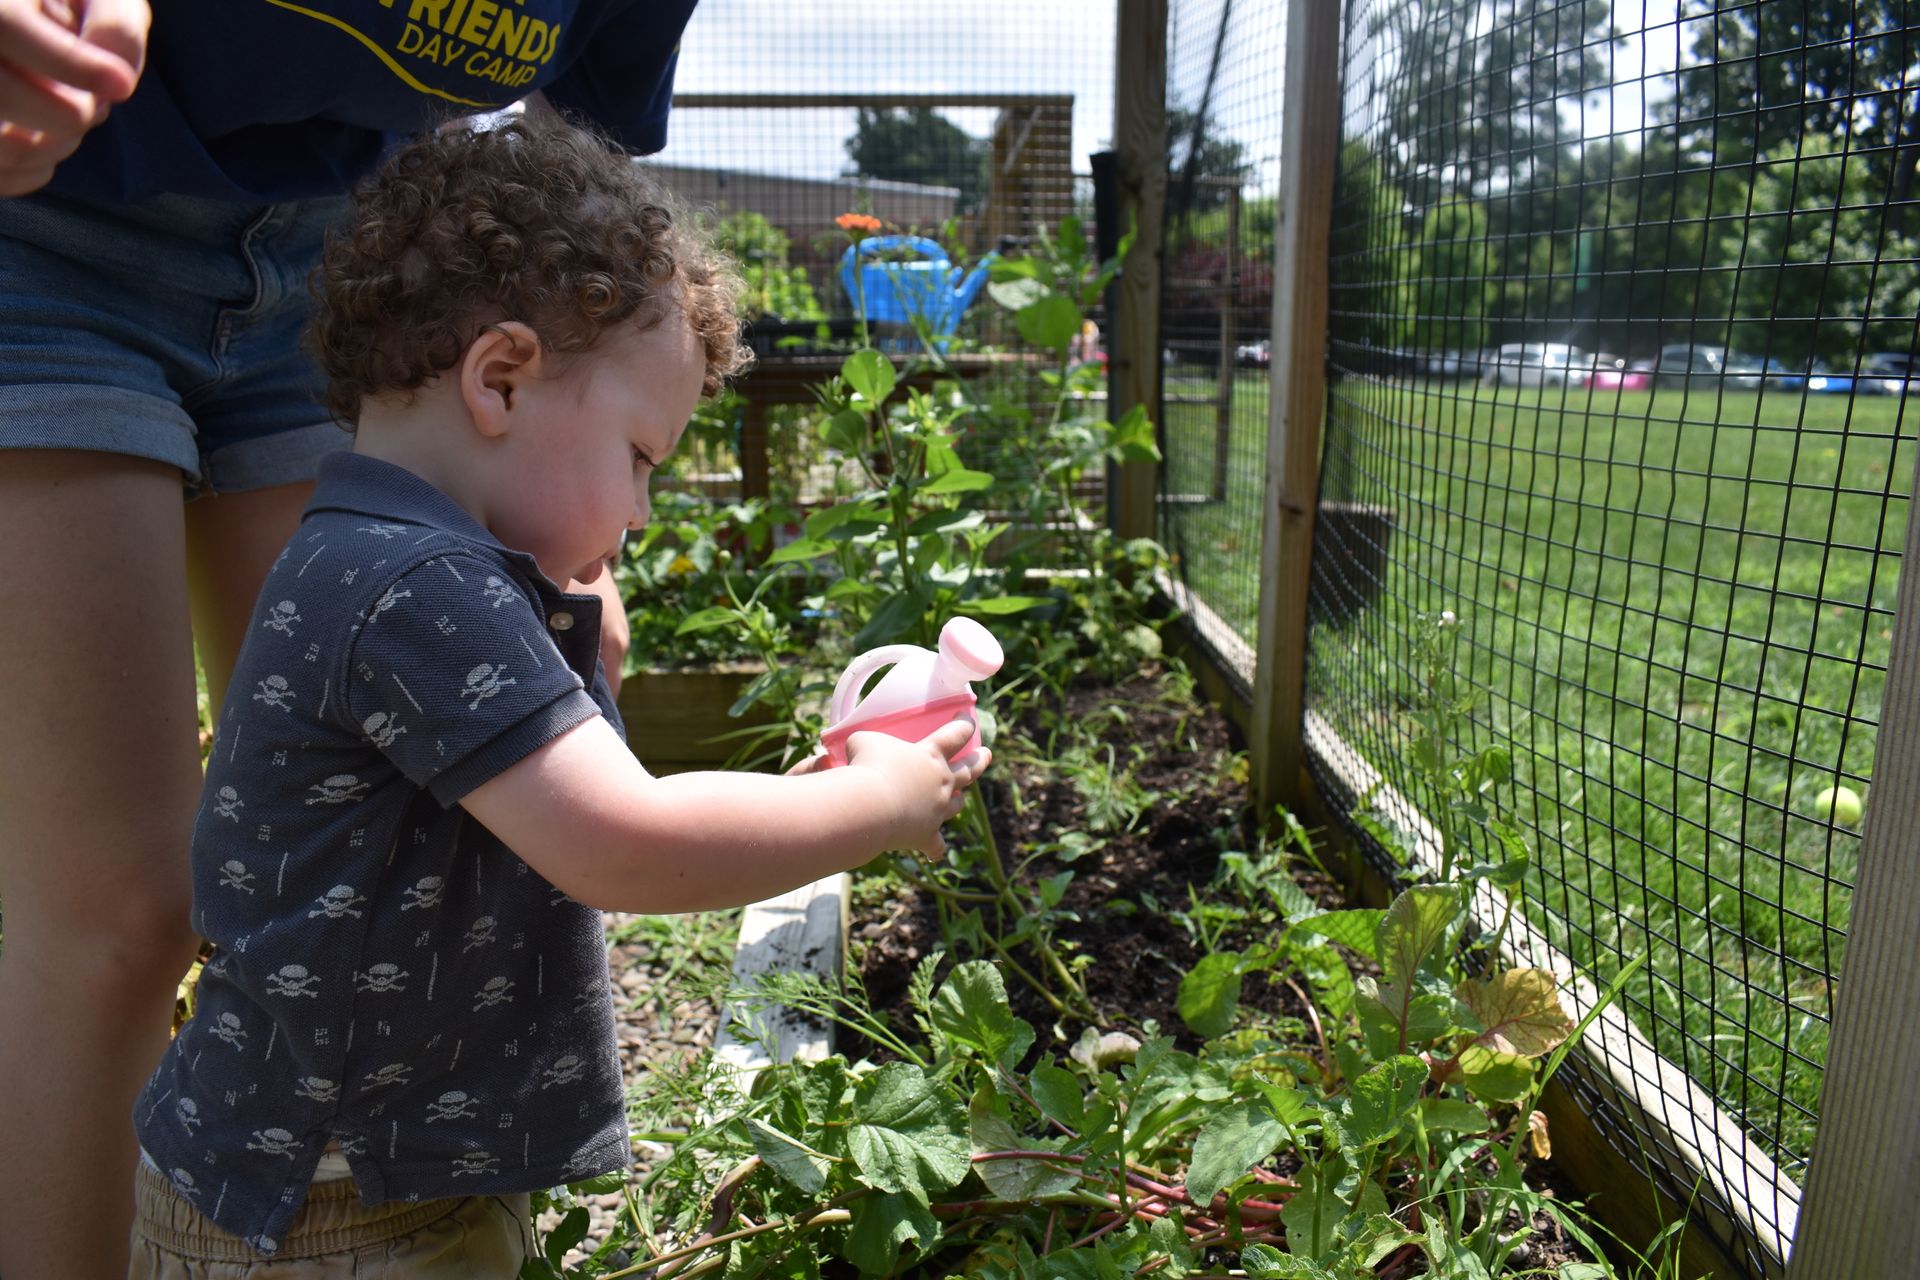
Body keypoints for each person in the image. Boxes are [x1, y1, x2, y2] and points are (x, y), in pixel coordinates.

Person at [122, 113, 991, 1277]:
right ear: (501, 379)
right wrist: (882, 801)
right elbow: (623, 841)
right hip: (324, 1218)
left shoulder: (382, 550)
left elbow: (586, 798)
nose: (639, 512)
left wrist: (798, 798)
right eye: (640, 456)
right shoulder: (422, 587)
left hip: (356, 1177)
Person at [0, 4, 693, 1276]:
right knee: (120, 914)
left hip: (349, 280)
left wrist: (553, 490)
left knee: (375, 850)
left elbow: (572, 176)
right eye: (648, 471)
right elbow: (621, 845)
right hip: (42, 230)